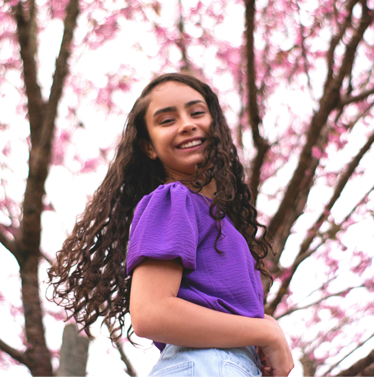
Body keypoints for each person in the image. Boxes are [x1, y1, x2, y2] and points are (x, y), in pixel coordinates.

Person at [48, 73, 294, 377]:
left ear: (215, 124)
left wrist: (264, 327)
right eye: (166, 120)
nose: (186, 124)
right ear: (149, 147)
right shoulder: (174, 200)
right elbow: (151, 314)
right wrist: (266, 333)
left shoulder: (217, 220)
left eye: (197, 112)